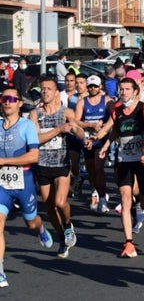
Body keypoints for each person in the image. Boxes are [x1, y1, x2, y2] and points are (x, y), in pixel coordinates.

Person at [94, 76, 144, 257]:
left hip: (142, 160)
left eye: (127, 89)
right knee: (124, 197)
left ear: (135, 91)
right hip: (124, 160)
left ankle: (141, 203)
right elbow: (112, 128)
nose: (123, 92)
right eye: (121, 89)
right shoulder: (117, 110)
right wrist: (103, 144)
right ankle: (129, 243)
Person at [0, 87, 54, 287]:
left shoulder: (27, 126)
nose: (7, 102)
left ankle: (40, 228)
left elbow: (34, 156)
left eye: (12, 99)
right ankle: (0, 271)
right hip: (1, 185)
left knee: (30, 222)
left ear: (19, 104)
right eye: (4, 98)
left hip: (23, 181)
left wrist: (4, 161)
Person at [29, 77, 85, 259]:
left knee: (60, 202)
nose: (45, 92)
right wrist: (58, 130)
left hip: (61, 163)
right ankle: (61, 238)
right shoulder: (35, 114)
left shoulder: (65, 112)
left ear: (55, 93)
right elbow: (36, 139)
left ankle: (68, 225)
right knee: (50, 206)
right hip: (43, 165)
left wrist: (77, 131)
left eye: (48, 89)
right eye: (42, 89)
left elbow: (79, 131)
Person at [77, 75, 112, 214]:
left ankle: (102, 198)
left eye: (95, 86)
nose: (93, 89)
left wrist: (103, 127)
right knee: (91, 171)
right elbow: (76, 121)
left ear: (100, 87)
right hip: (87, 140)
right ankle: (96, 189)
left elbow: (113, 115)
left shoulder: (107, 100)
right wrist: (90, 124)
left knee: (99, 168)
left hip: (102, 141)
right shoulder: (82, 102)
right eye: (90, 86)